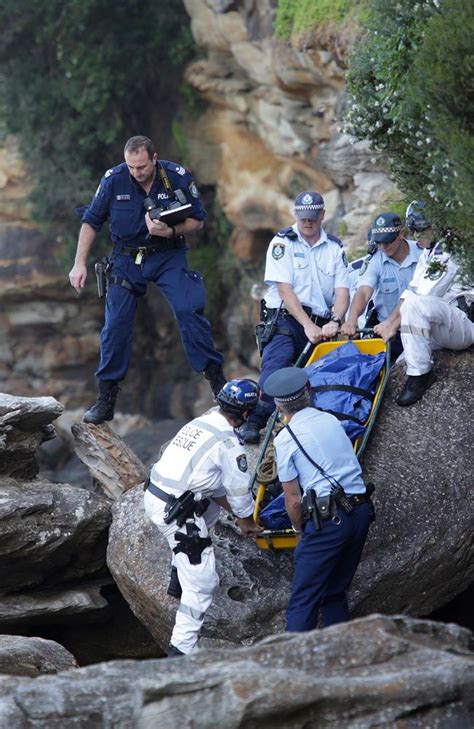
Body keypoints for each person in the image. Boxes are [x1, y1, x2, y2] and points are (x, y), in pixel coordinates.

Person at [69, 135, 225, 424]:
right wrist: (79, 263)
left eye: (141, 166)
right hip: (127, 259)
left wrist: (172, 231)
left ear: (154, 158)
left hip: (168, 254)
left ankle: (217, 383)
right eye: (131, 166)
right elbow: (91, 220)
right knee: (115, 324)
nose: (136, 172)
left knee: (188, 309)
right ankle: (106, 398)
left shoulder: (176, 176)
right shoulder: (114, 179)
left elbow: (198, 219)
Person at [143, 378, 262, 656]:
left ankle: (176, 574)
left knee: (210, 505)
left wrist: (235, 511)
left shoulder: (201, 423)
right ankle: (181, 649)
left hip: (155, 495)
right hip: (175, 514)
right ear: (246, 414)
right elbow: (237, 489)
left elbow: (214, 487)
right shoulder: (230, 446)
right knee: (204, 583)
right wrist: (247, 521)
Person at [264, 367, 372, 631]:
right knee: (334, 592)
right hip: (361, 512)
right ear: (309, 393)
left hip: (328, 521)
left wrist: (300, 529)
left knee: (303, 599)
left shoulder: (285, 439)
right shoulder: (330, 420)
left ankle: (293, 666)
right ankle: (340, 653)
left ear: (279, 407)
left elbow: (292, 498)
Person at [239, 190, 350, 444]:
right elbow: (284, 290)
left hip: (323, 324)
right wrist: (308, 325)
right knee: (278, 363)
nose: (308, 222)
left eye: (313, 217)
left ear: (323, 215)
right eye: (303, 218)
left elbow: (342, 292)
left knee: (326, 375)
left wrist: (336, 320)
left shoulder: (334, 248)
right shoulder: (282, 243)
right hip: (287, 317)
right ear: (295, 215)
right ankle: (256, 421)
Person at [373, 201, 474, 406]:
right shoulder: (428, 251)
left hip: (464, 323)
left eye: (421, 229)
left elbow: (425, 294)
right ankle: (412, 369)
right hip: (443, 324)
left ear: (436, 225)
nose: (416, 235)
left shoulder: (448, 250)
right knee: (401, 356)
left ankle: (420, 375)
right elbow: (411, 289)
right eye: (413, 230)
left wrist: (392, 326)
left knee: (414, 306)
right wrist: (389, 322)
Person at [341, 212, 422, 360]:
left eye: (387, 241)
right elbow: (364, 292)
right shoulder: (375, 259)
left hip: (417, 325)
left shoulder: (422, 253)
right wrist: (351, 320)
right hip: (386, 329)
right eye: (379, 242)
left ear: (401, 234)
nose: (383, 246)